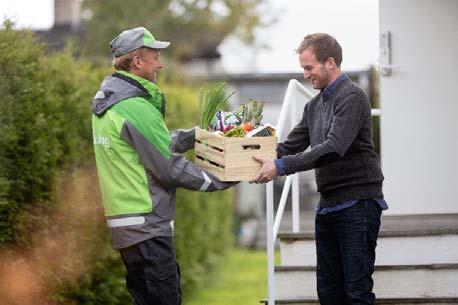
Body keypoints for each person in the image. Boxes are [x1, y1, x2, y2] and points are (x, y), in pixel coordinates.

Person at [91, 27, 234, 305]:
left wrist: (193, 136)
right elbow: (168, 167)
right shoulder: (135, 106)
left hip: (127, 226)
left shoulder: (111, 103)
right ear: (137, 62)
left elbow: (149, 146)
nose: (161, 63)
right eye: (155, 56)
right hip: (148, 226)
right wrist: (220, 179)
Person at [251, 33, 388, 305]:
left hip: (357, 205)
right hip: (327, 206)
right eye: (303, 68)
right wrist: (248, 156)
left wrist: (280, 167)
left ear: (330, 63)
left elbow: (333, 147)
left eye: (309, 68)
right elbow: (290, 144)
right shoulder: (314, 105)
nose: (305, 75)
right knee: (328, 293)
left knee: (356, 294)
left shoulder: (352, 97)